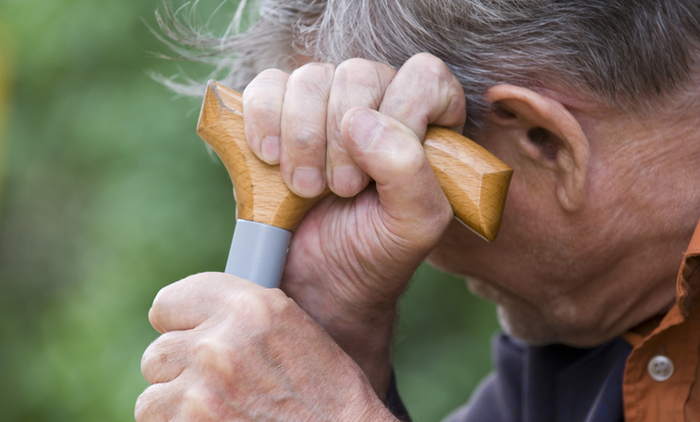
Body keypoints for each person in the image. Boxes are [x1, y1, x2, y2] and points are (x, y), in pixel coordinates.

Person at [136, 1, 700, 421]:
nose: (425, 248)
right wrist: (332, 319)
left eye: (374, 178)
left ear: (543, 140)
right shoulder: (585, 318)